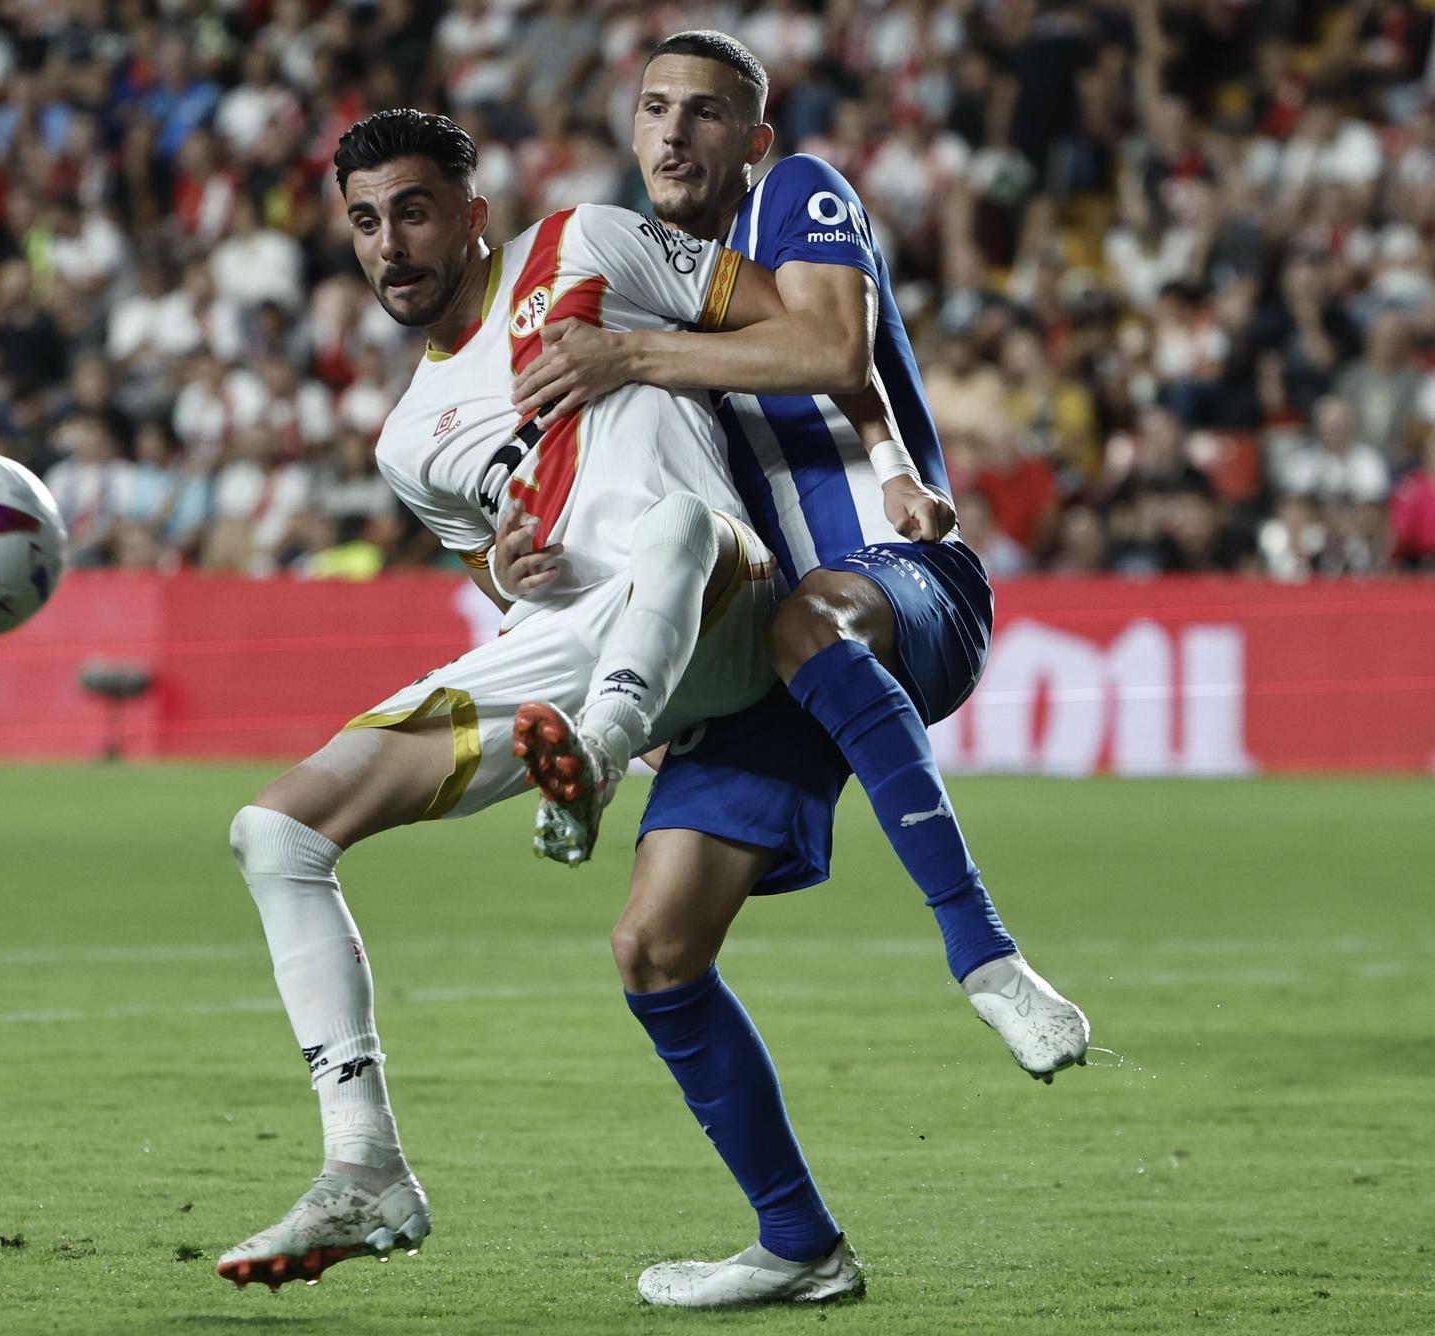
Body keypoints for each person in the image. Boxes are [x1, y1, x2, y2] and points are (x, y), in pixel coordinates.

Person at [218, 107, 896, 1292]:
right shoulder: (406, 442)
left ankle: (597, 754)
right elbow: (490, 560)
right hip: (573, 639)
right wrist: (508, 568)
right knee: (273, 831)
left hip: (720, 596)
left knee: (677, 525)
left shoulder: (586, 243)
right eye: (367, 223)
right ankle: (363, 1162)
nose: (391, 246)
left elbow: (801, 336)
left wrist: (641, 356)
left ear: (474, 214)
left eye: (415, 212)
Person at [495, 32, 1089, 1305]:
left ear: (749, 140)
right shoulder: (628, 284)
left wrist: (635, 359)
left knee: (803, 613)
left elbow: (828, 352)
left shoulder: (795, 193)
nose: (674, 135)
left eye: (706, 115)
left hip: (896, 580)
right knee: (652, 945)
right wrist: (529, 562)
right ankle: (800, 1246)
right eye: (654, 109)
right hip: (757, 647)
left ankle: (984, 955)